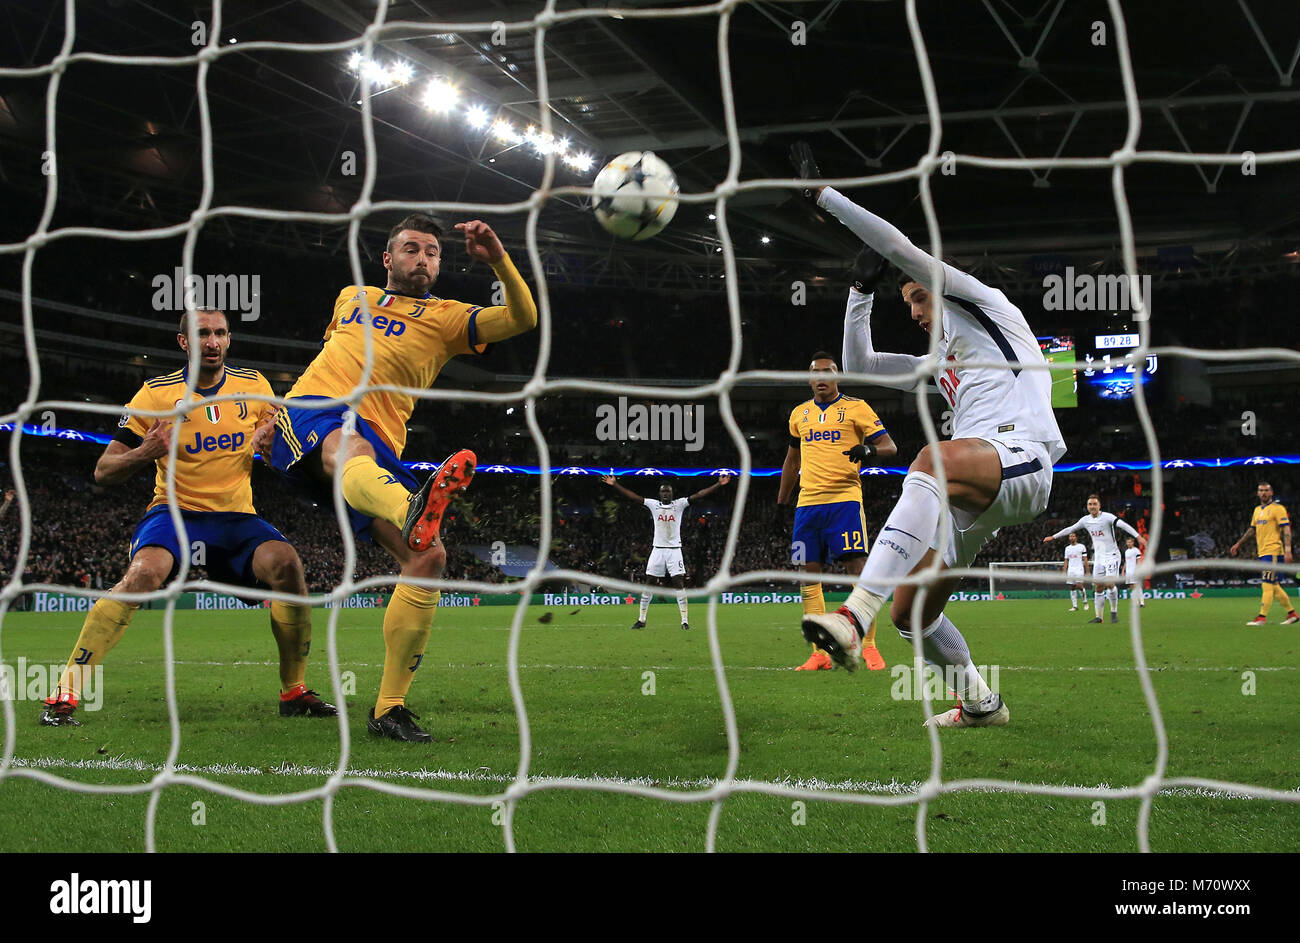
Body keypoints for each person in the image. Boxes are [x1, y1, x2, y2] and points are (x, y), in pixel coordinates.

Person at [790, 141, 1066, 728]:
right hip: (973, 492)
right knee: (914, 615)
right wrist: (858, 293)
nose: (914, 310)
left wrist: (824, 197)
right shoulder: (936, 359)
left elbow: (899, 248)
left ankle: (854, 613)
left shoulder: (986, 304)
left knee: (931, 459)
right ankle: (980, 704)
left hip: (1021, 456)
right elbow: (855, 367)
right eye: (909, 301)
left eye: (917, 296)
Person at [267, 214, 537, 742]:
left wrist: (500, 260)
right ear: (389, 259)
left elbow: (523, 318)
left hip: (377, 450)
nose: (423, 259)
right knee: (350, 445)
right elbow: (328, 354)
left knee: (427, 557)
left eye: (433, 252)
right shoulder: (352, 297)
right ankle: (409, 506)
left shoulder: (447, 318)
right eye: (411, 249)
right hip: (314, 413)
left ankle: (388, 710)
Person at [40, 308, 331, 727]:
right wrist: (145, 451)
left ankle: (294, 691)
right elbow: (103, 470)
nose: (211, 342)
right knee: (143, 573)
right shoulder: (154, 395)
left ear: (228, 340)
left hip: (235, 519)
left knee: (288, 565)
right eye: (201, 334)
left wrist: (273, 444)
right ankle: (64, 693)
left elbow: (277, 442)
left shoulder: (255, 386)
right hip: (174, 514)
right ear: (184, 343)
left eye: (220, 333)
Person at [778, 345, 897, 672]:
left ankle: (869, 645)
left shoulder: (857, 408)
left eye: (827, 373)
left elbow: (889, 446)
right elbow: (792, 459)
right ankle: (819, 653)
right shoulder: (798, 414)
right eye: (815, 373)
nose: (821, 378)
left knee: (858, 574)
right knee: (808, 577)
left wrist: (868, 451)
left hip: (844, 500)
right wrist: (782, 499)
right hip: (807, 505)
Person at [602, 475, 732, 630]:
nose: (665, 494)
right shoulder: (653, 504)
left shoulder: (679, 504)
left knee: (679, 583)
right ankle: (642, 620)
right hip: (657, 550)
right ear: (659, 494)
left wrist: (718, 484)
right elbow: (634, 497)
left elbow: (699, 494)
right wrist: (615, 484)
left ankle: (684, 621)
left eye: (668, 492)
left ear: (672, 493)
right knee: (649, 583)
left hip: (674, 551)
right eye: (663, 491)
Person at [1044, 494, 1146, 624]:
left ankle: (1114, 612)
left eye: (1094, 504)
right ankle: (1099, 617)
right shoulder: (1085, 520)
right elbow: (1071, 529)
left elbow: (1123, 525)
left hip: (1112, 556)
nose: (1092, 506)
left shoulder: (1108, 517)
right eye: (1090, 504)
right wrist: (1054, 537)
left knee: (1109, 584)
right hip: (1099, 558)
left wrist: (1138, 537)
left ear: (1099, 505)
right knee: (1098, 587)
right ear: (1087, 506)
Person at [1229, 481, 1296, 626]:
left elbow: (1286, 530)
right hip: (1263, 551)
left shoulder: (1278, 509)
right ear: (1258, 493)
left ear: (1271, 493)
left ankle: (1261, 617)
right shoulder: (1257, 510)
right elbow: (1252, 529)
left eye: (1266, 490)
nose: (1264, 493)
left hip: (1273, 551)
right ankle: (1292, 613)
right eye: (1261, 490)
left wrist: (1288, 550)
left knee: (1266, 584)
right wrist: (1238, 544)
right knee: (1274, 584)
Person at [1063, 532, 1089, 612]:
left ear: (1076, 537)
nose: (1072, 537)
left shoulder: (1081, 547)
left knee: (1079, 585)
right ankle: (1074, 606)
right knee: (1072, 587)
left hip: (1079, 569)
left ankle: (1085, 602)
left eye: (1073, 536)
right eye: (1070, 536)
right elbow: (1066, 560)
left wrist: (1088, 571)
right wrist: (1064, 571)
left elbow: (1085, 559)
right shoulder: (1067, 548)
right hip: (1071, 570)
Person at [1122, 537, 1145, 608]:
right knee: (1131, 586)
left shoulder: (1136, 550)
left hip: (1134, 570)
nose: (1128, 543)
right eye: (1127, 542)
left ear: (1133, 542)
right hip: (1128, 572)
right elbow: (1126, 561)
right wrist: (1123, 570)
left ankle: (1142, 602)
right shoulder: (1126, 551)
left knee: (1137, 585)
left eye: (1130, 542)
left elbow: (1139, 560)